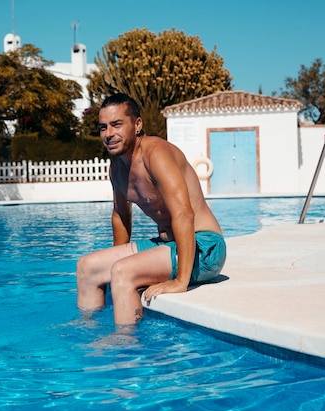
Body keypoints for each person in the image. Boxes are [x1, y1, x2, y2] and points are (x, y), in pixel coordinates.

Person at [76, 93, 226, 328]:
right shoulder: (117, 166)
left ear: (137, 125)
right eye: (103, 127)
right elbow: (121, 216)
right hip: (168, 245)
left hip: (204, 248)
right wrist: (116, 259)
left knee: (123, 272)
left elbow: (184, 213)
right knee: (87, 268)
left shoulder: (156, 154)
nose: (108, 134)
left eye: (116, 125)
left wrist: (180, 281)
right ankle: (89, 332)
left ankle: (126, 349)